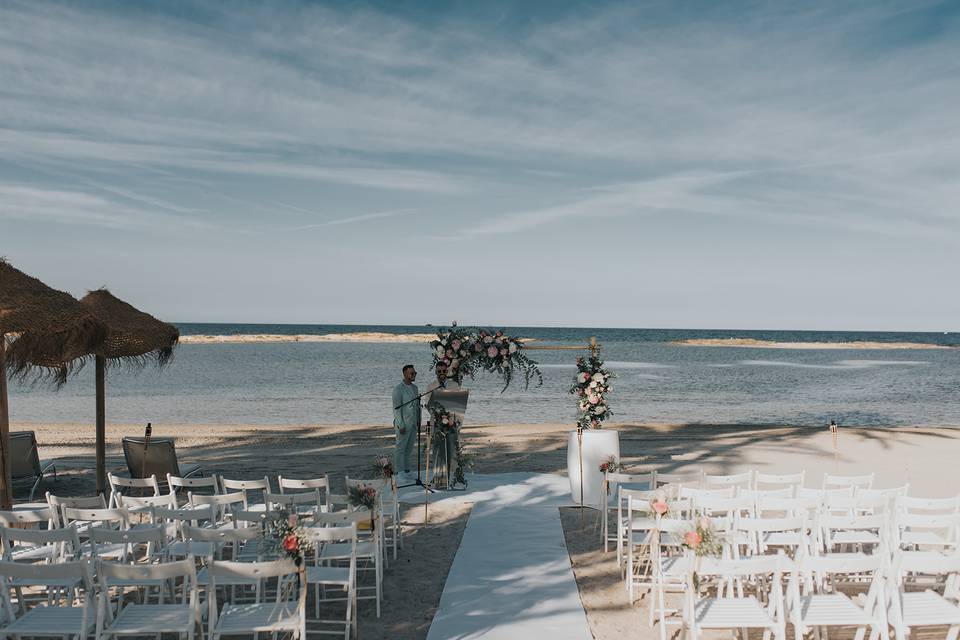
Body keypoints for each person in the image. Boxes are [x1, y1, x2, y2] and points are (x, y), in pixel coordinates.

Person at [423, 362, 463, 487]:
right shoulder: (431, 386)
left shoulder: (454, 385)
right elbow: (429, 405)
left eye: (444, 371)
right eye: (439, 371)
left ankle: (452, 477)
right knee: (437, 451)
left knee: (451, 451)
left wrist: (452, 418)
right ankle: (438, 478)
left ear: (447, 372)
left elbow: (458, 403)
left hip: (451, 423)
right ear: (435, 372)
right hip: (437, 423)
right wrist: (439, 415)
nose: (441, 374)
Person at [392, 364, 421, 482]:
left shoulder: (415, 388)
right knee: (400, 448)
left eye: (415, 373)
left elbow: (417, 407)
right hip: (403, 424)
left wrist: (419, 421)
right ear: (405, 374)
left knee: (409, 448)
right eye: (412, 373)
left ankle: (407, 470)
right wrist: (400, 424)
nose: (414, 375)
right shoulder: (398, 389)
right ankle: (399, 471)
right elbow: (396, 408)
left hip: (413, 424)